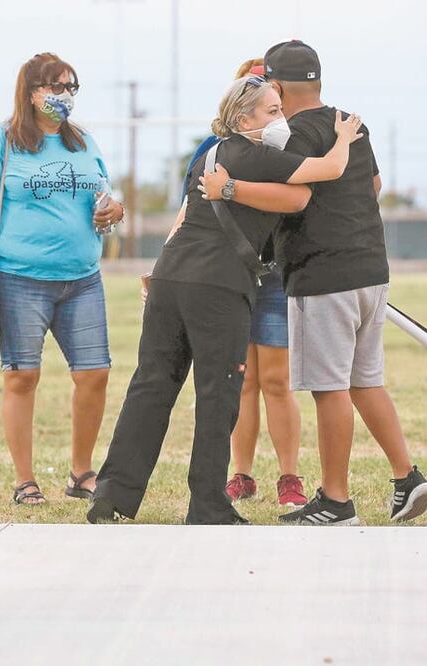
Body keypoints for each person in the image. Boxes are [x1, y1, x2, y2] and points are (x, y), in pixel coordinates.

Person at [87, 74, 362, 525]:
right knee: (218, 394)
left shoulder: (211, 154)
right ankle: (208, 504)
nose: (281, 121)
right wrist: (345, 136)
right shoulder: (256, 154)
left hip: (172, 277)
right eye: (272, 112)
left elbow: (191, 215)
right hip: (218, 286)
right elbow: (328, 171)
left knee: (151, 386)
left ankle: (112, 492)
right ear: (242, 117)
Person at [202, 41, 427, 525]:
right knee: (366, 381)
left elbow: (293, 196)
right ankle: (408, 478)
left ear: (277, 87)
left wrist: (231, 189)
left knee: (330, 390)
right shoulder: (352, 122)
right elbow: (373, 188)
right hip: (371, 268)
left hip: (323, 274)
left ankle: (336, 500)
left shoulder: (289, 135)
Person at [0, 52, 125, 505]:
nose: (64, 96)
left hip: (82, 279)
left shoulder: (84, 142)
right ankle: (25, 480)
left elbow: (107, 199)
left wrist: (115, 211)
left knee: (95, 374)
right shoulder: (4, 142)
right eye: (55, 87)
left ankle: (80, 472)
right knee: (22, 377)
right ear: (31, 92)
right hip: (19, 279)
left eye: (71, 87)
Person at [179, 58, 307, 510]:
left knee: (276, 378)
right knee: (241, 379)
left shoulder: (289, 145)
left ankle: (290, 476)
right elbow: (188, 207)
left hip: (272, 274)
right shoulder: (213, 148)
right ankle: (242, 473)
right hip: (226, 274)